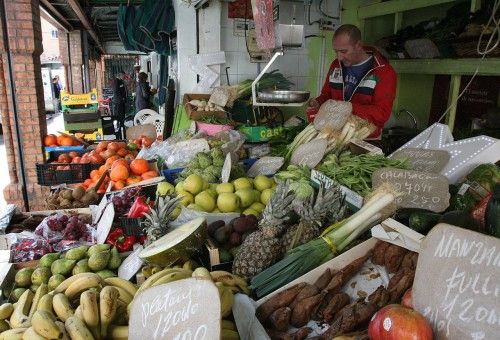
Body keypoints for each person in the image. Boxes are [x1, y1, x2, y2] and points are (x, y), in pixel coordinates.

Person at [307, 24, 397, 138]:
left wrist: (347, 108)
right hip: (333, 136)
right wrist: (318, 102)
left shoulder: (384, 72)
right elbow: (327, 95)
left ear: (359, 45)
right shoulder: (336, 65)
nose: (339, 57)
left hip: (365, 140)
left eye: (344, 51)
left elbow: (382, 114)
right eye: (336, 51)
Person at [112, 70, 127, 139]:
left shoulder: (121, 81)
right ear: (120, 75)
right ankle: (118, 133)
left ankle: (122, 128)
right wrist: (122, 98)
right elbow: (116, 92)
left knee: (122, 117)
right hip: (118, 103)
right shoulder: (116, 81)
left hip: (121, 102)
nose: (125, 77)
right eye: (124, 75)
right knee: (118, 117)